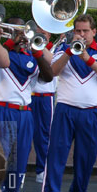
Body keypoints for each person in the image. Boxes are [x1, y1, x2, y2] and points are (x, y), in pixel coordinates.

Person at [42, 14, 97, 192]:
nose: (82, 34)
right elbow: (52, 72)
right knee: (55, 158)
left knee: (85, 162)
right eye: (78, 31)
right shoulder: (64, 49)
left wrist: (87, 58)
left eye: (85, 31)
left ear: (94, 31)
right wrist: (70, 51)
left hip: (91, 113)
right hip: (65, 111)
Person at [0, 17, 54, 192]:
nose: (22, 35)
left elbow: (48, 76)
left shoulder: (31, 55)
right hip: (1, 110)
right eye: (17, 30)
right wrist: (9, 42)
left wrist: (37, 51)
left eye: (24, 30)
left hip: (25, 114)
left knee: (18, 166)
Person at [30, 27, 59, 184]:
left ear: (49, 35)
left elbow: (53, 64)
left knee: (44, 136)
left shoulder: (55, 49)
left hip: (46, 98)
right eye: (38, 32)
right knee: (25, 135)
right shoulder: (29, 46)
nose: (41, 35)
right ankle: (17, 171)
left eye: (44, 32)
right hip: (29, 96)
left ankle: (41, 170)